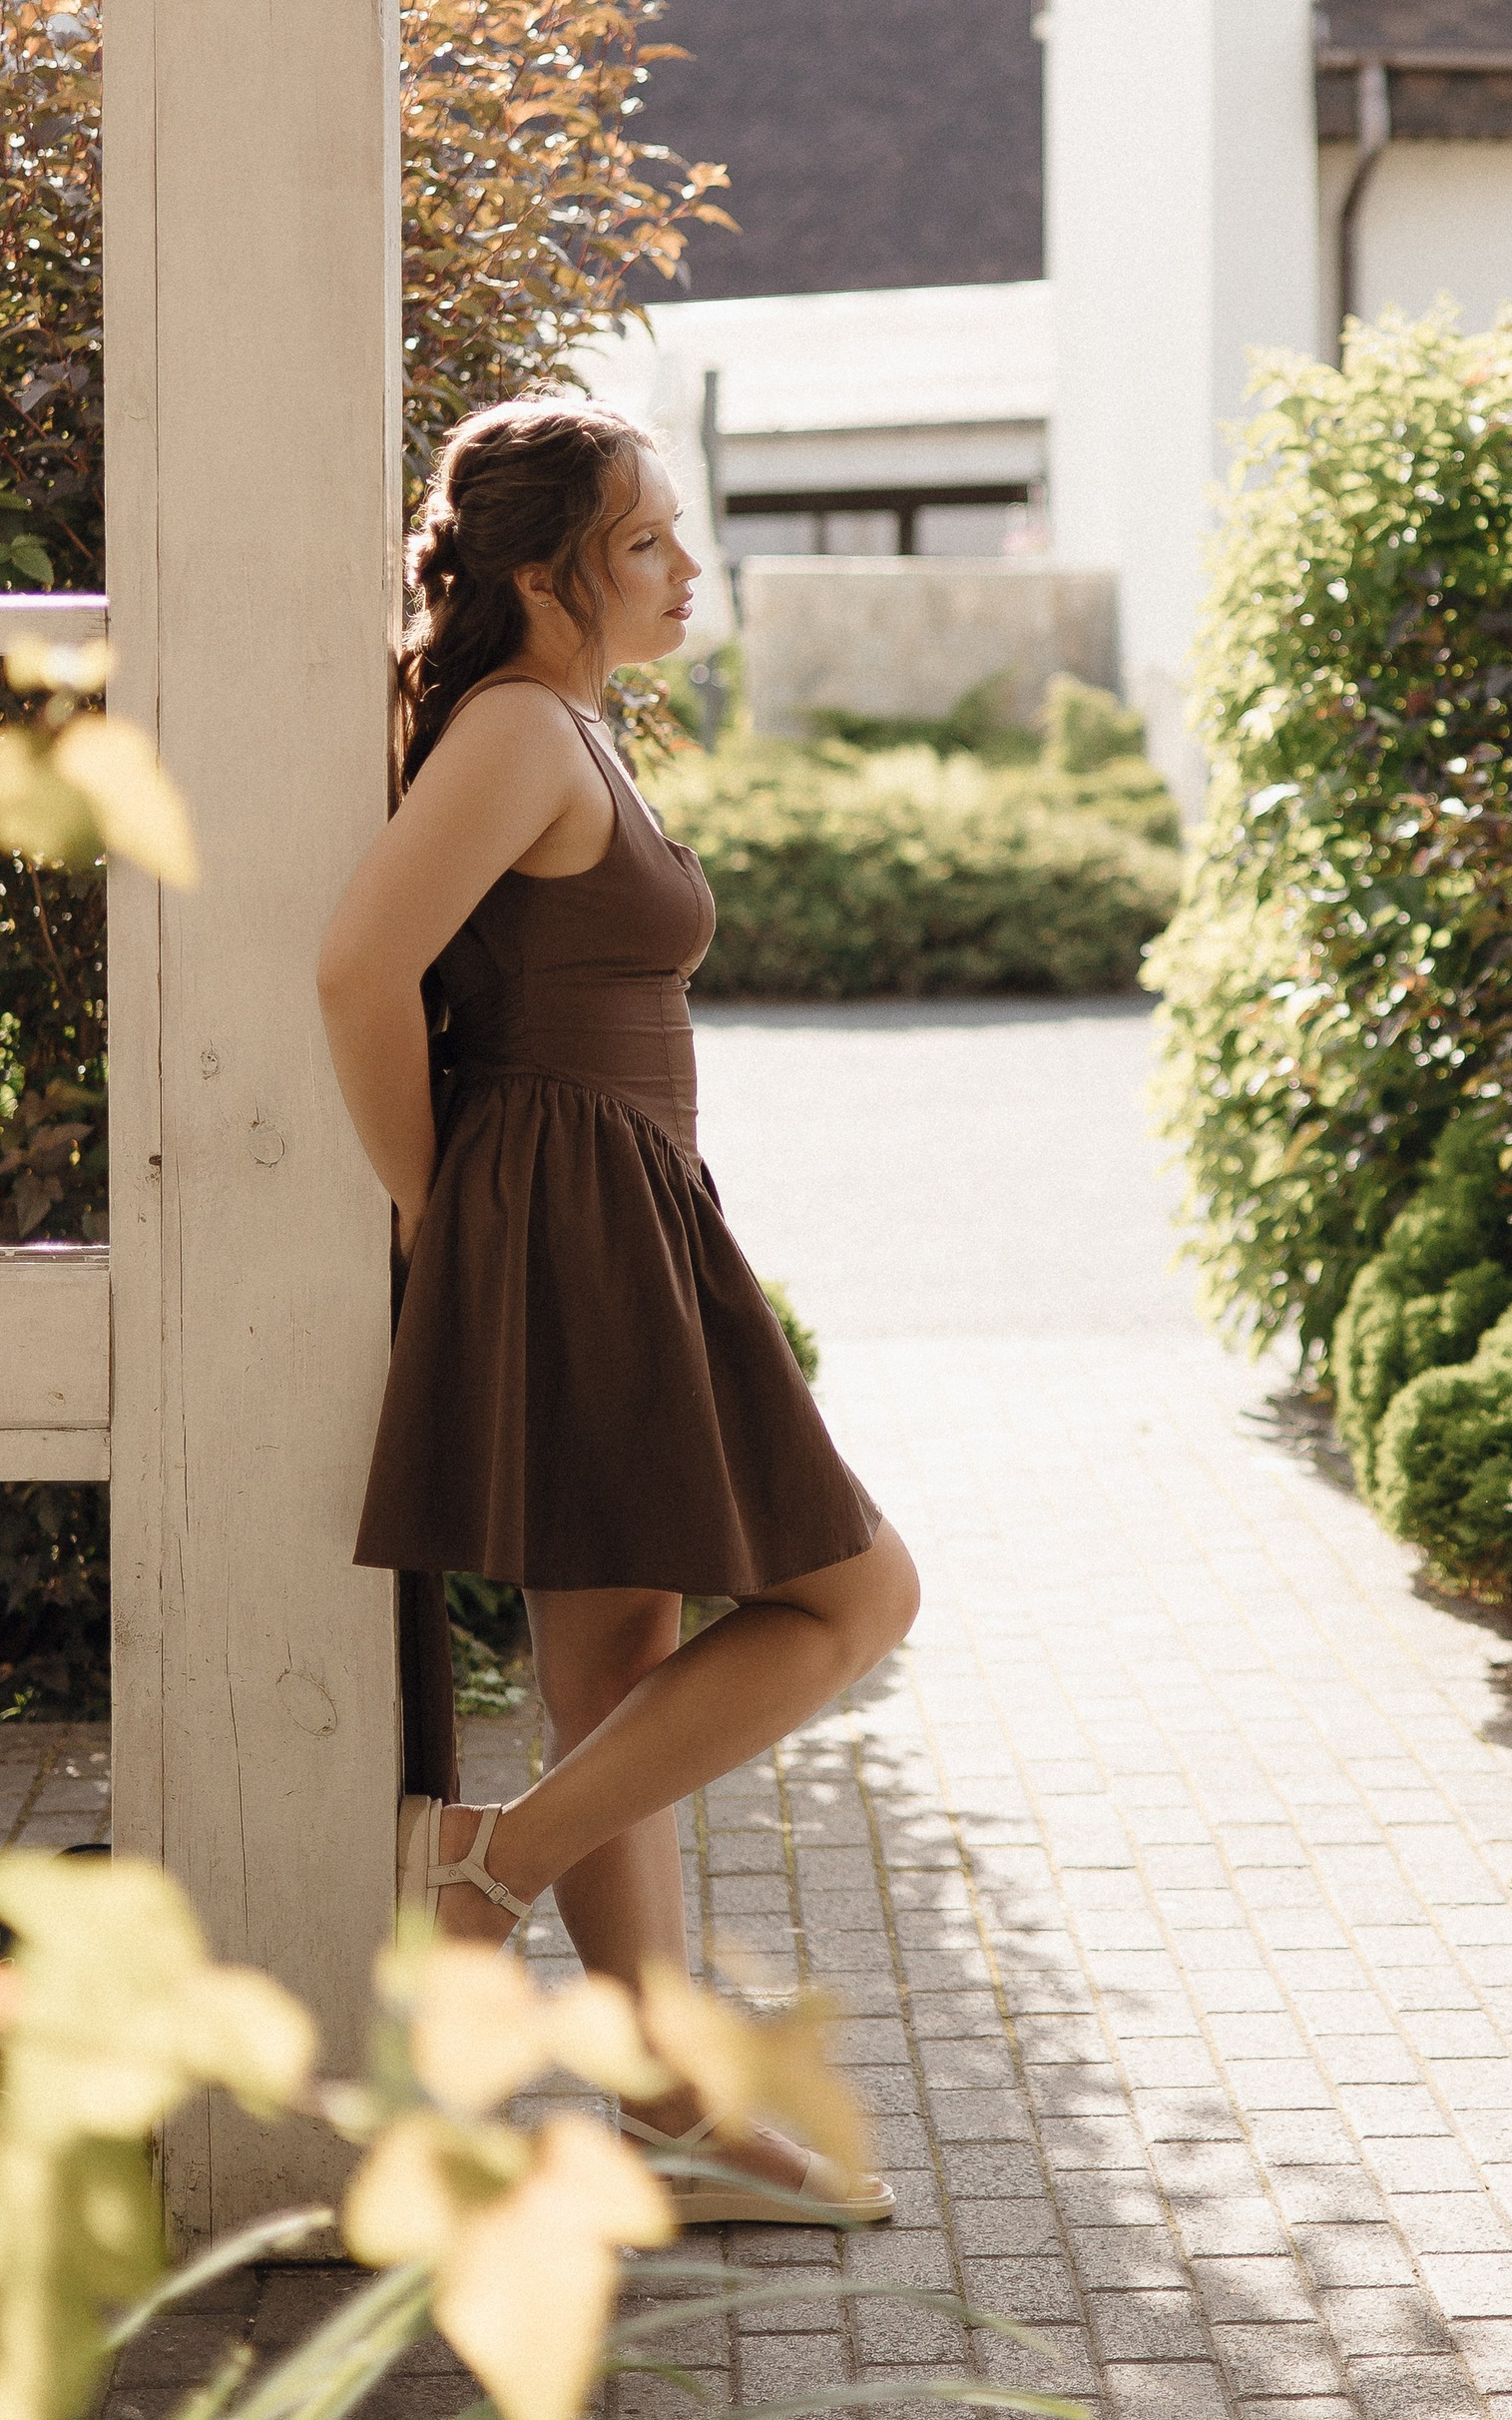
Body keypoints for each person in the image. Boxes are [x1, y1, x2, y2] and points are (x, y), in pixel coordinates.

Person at [318, 398, 920, 2231]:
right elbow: (358, 968)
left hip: (620, 1204)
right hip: (568, 1205)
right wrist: (442, 1211)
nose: (684, 567)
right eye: (648, 541)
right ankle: (484, 1869)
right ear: (541, 574)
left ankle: (659, 2091)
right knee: (857, 1591)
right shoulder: (517, 727)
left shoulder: (567, 724)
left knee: (613, 1661)